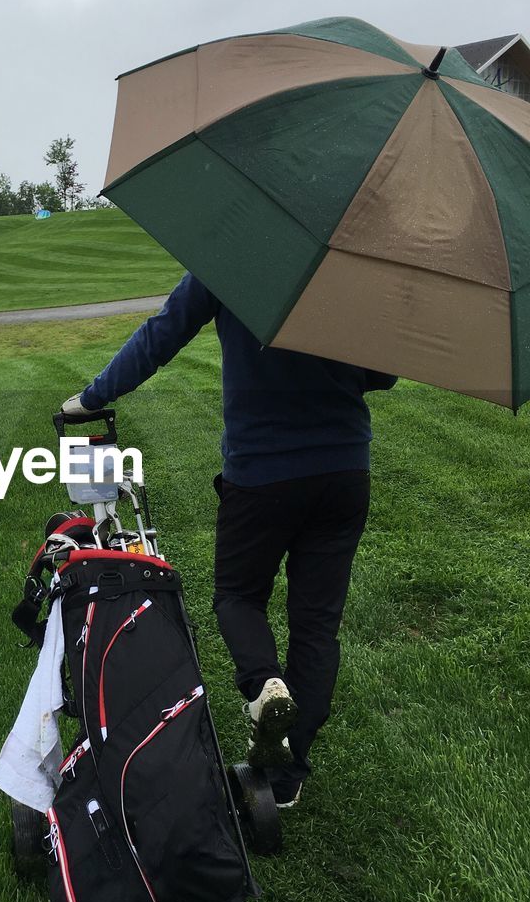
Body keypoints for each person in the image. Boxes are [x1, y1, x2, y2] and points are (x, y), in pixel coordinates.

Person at [61, 272, 396, 810]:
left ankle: (265, 685)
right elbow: (382, 374)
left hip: (261, 474)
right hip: (343, 472)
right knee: (316, 626)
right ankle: (287, 778)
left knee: (238, 596)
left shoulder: (226, 258)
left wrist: (92, 397)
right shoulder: (346, 269)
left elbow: (160, 337)